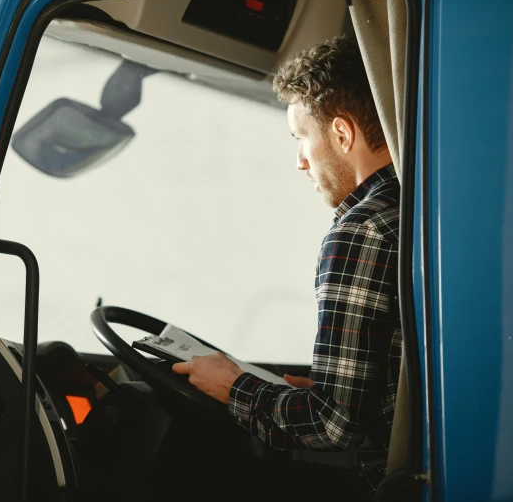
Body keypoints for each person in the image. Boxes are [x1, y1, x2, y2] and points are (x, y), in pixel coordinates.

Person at [172, 35, 402, 496]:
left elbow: (332, 425)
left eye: (302, 138)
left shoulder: (361, 230)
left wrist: (232, 385)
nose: (300, 161)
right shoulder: (416, 206)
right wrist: (321, 387)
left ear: (342, 133)